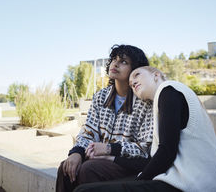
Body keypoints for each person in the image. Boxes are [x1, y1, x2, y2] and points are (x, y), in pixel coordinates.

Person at [75, 66, 216, 192]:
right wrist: (111, 158)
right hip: (191, 181)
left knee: (83, 191)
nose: (133, 83)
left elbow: (167, 152)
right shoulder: (168, 96)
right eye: (131, 85)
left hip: (191, 185)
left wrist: (139, 180)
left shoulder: (168, 90)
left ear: (156, 75)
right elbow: (155, 159)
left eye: (137, 75)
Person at [56, 45, 153, 192]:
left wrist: (109, 149)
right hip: (99, 159)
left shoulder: (144, 101)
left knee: (89, 169)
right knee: (66, 168)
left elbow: (145, 148)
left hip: (126, 164)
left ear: (136, 70)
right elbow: (88, 132)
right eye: (114, 59)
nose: (115, 63)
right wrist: (76, 152)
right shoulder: (101, 96)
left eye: (124, 62)